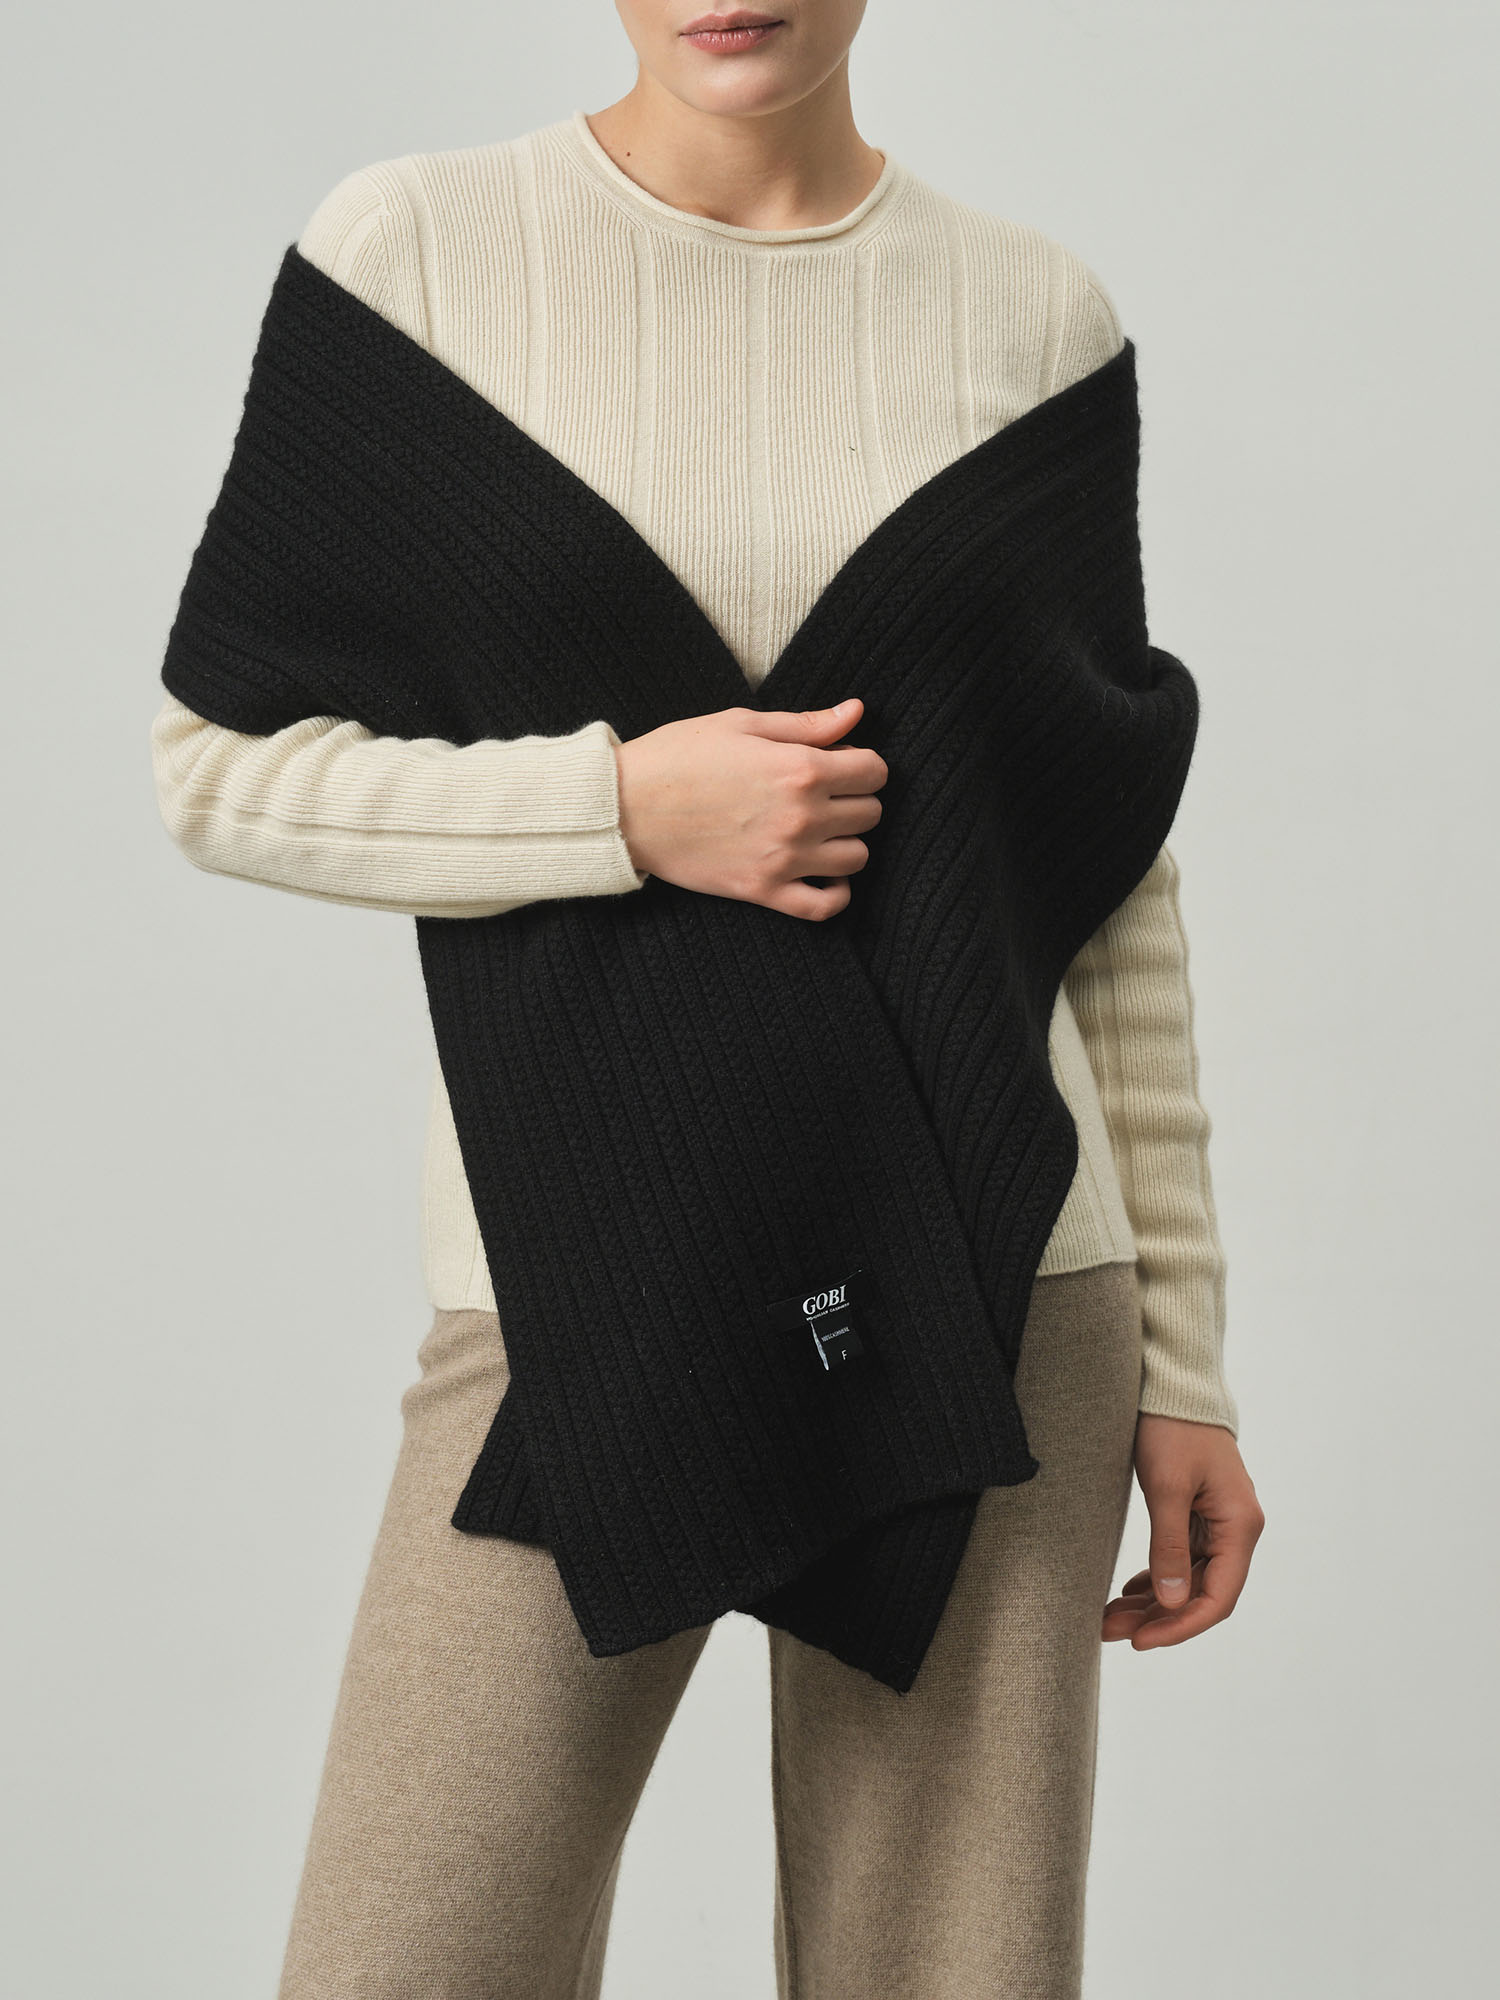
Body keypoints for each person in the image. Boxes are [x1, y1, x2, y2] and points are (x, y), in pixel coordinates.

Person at [150, 4, 1264, 1993]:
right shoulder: (419, 258)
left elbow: (1103, 880)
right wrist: (622, 809)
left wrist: (1185, 1362)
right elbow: (222, 768)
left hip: (1000, 1274)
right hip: (578, 1271)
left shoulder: (1035, 319)